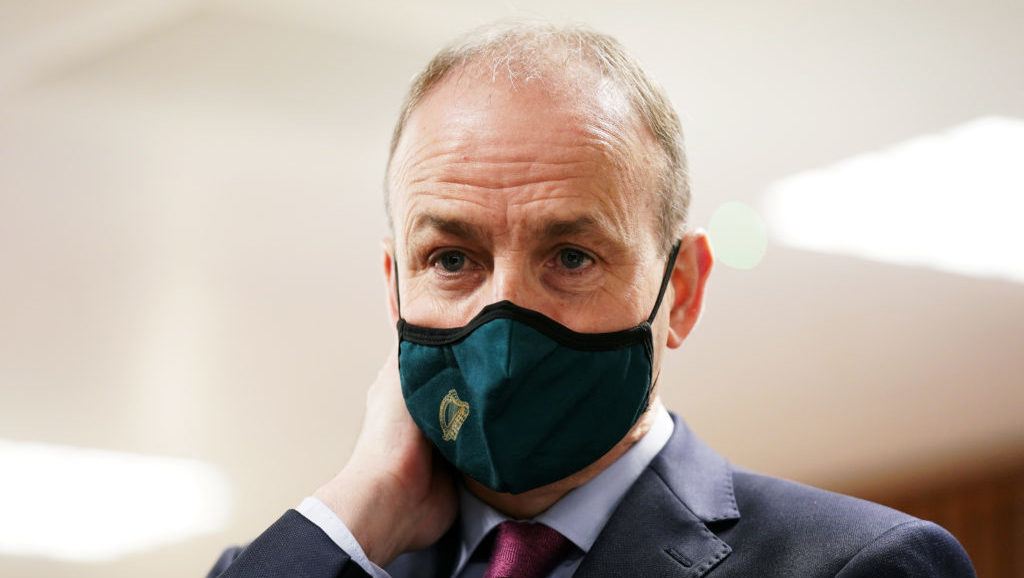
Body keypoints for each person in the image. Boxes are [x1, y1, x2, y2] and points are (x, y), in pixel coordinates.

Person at [208, 21, 975, 578]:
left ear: (681, 290)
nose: (505, 320)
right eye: (452, 259)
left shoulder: (859, 565)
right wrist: (359, 509)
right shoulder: (324, 555)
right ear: (395, 287)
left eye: (571, 257)